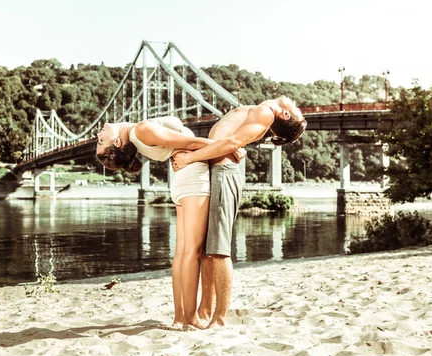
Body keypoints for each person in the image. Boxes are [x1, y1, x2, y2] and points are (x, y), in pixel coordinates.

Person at [95, 116, 245, 330]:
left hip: (183, 180)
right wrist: (229, 145)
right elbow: (191, 144)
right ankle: (191, 318)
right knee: (192, 253)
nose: (98, 135)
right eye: (101, 141)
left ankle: (180, 317)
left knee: (183, 253)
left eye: (99, 140)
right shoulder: (142, 130)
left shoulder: (138, 134)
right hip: (193, 178)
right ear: (117, 143)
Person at [171, 96, 307, 328]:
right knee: (206, 250)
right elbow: (229, 141)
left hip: (224, 173)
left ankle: (220, 318)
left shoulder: (265, 113)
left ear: (285, 115)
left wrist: (189, 157)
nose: (295, 101)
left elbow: (232, 142)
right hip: (216, 171)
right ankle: (205, 309)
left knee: (219, 250)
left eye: (296, 108)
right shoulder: (259, 111)